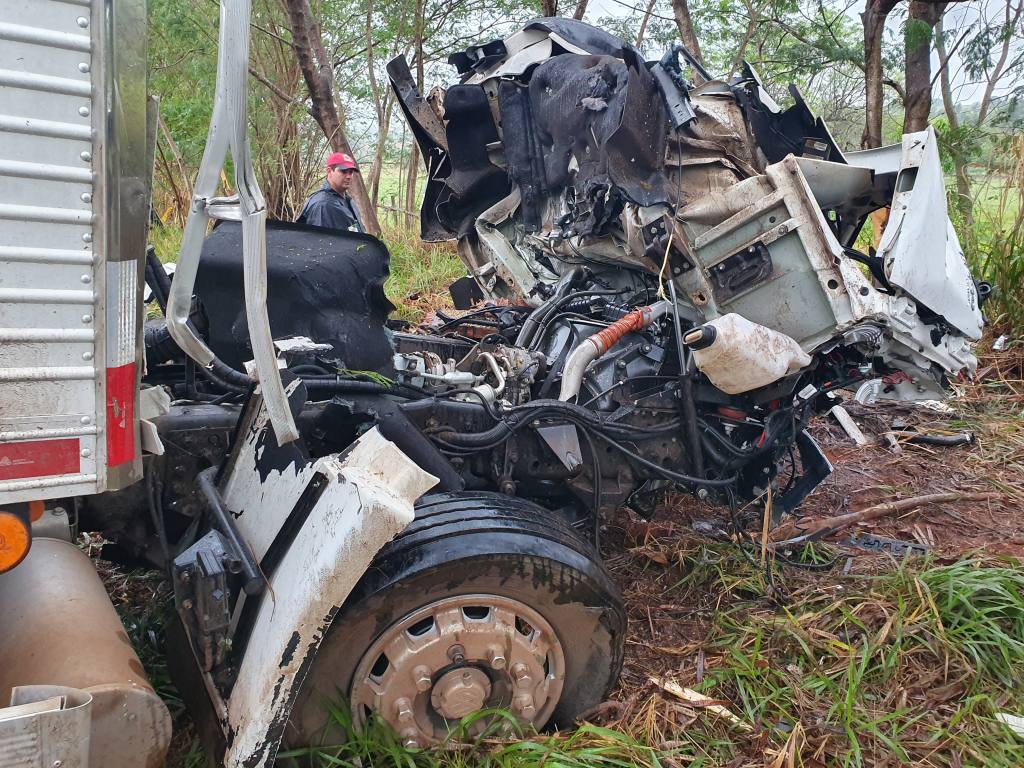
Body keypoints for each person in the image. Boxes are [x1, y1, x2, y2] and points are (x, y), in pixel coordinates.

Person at [297, 152, 365, 233]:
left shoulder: (347, 199)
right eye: (343, 171)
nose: (348, 176)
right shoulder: (322, 204)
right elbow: (321, 241)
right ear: (329, 171)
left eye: (351, 172)